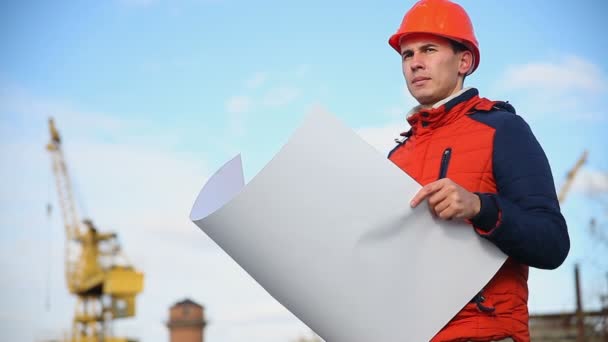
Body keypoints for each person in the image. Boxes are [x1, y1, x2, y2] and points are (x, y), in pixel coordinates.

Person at [386, 1, 570, 341]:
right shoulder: (396, 156)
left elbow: (553, 243)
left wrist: (480, 207)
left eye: (429, 49)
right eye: (407, 54)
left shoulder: (504, 129)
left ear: (464, 61)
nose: (416, 63)